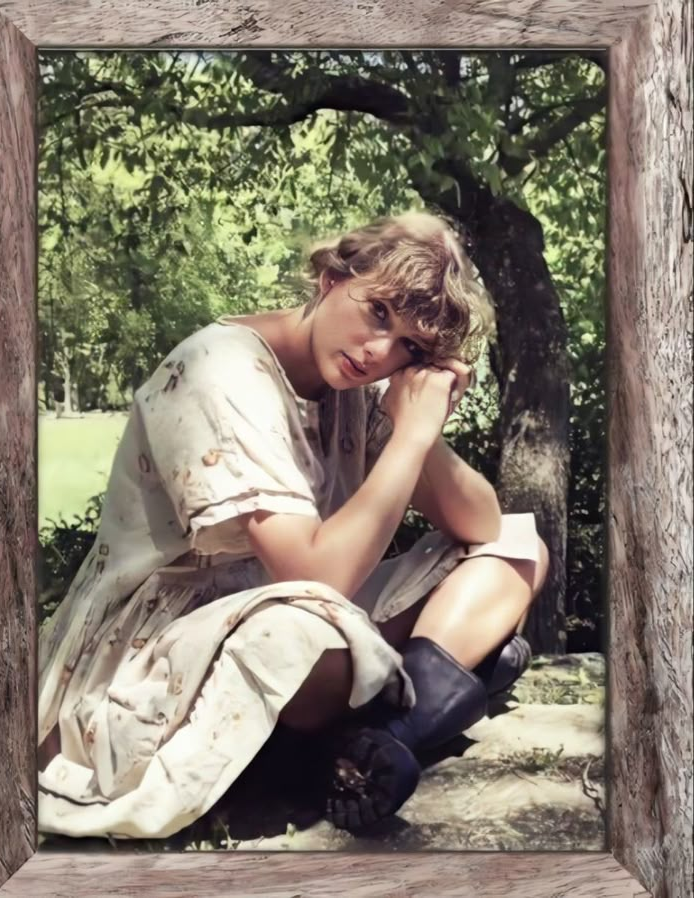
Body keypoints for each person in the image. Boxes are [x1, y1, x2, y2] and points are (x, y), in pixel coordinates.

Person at [37, 210, 548, 840]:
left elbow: (483, 520)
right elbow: (315, 577)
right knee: (301, 639)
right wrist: (408, 437)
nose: (378, 352)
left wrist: (420, 424)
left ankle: (388, 737)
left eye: (409, 347)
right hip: (158, 644)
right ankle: (441, 686)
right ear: (334, 277)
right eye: (379, 312)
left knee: (517, 551)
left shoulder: (358, 383)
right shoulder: (217, 371)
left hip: (296, 607)